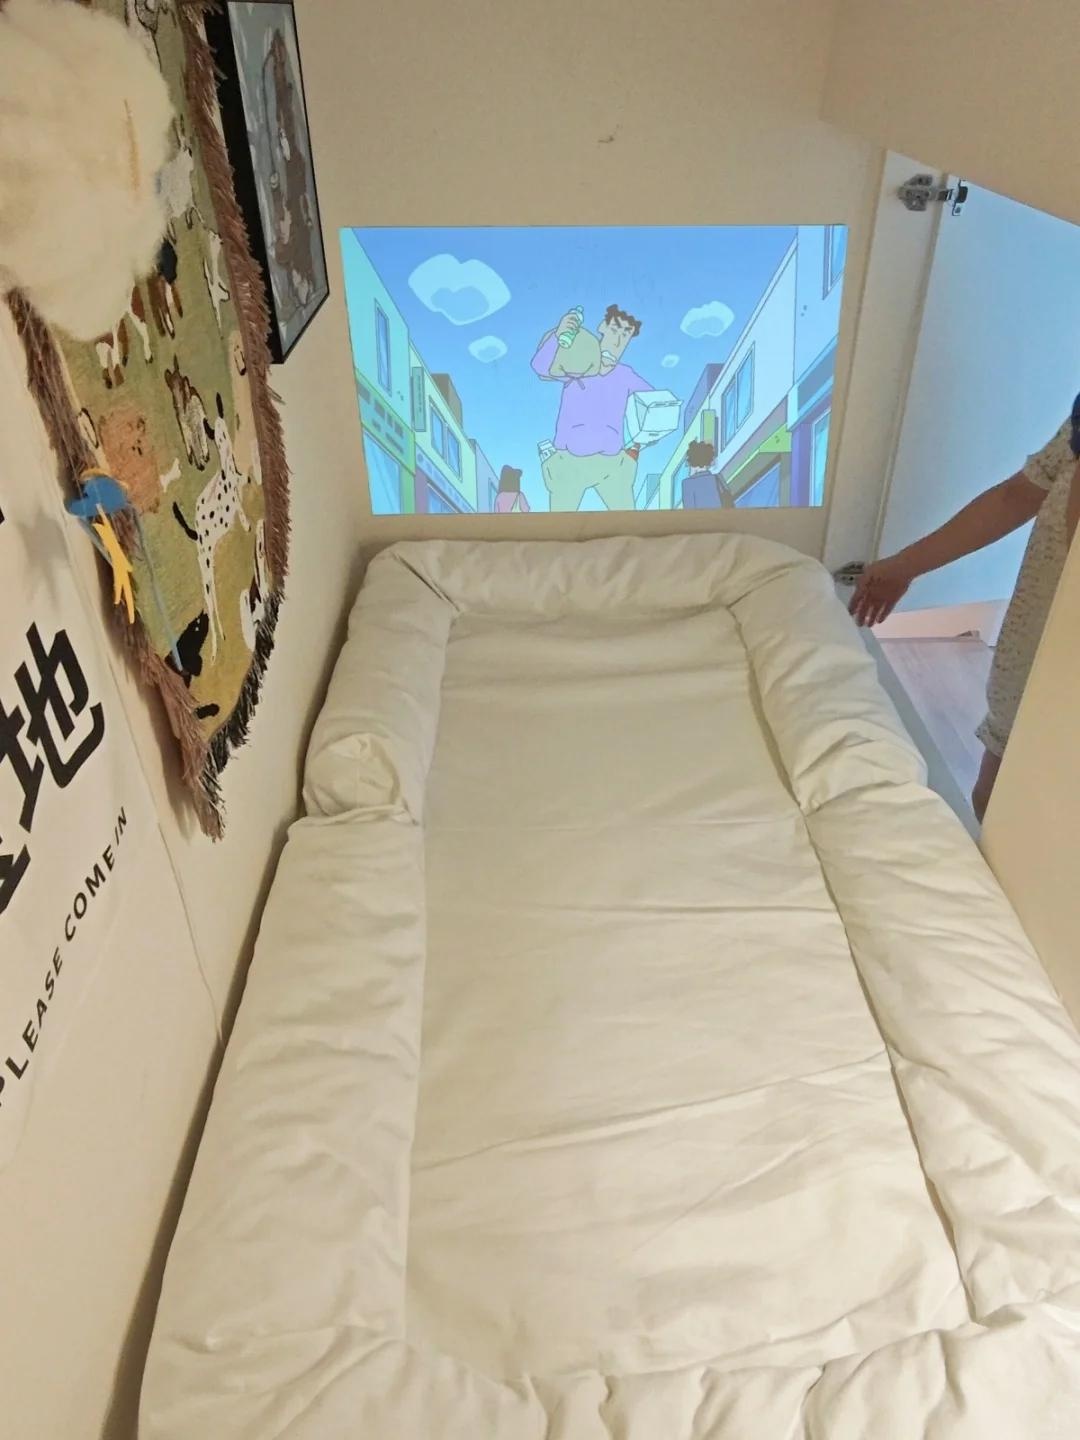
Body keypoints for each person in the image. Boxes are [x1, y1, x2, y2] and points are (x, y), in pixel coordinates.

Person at [850, 397, 1080, 820]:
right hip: (1029, 664)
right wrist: (904, 565)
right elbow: (1015, 496)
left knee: (1033, 824)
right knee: (991, 801)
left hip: (1065, 676)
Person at [531, 304, 651, 512]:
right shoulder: (579, 360)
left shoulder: (625, 374)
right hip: (570, 461)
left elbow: (657, 407)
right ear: (602, 327)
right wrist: (558, 335)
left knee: (629, 523)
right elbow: (541, 367)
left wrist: (634, 450)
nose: (618, 340)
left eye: (626, 334)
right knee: (559, 526)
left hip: (612, 464)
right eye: (614, 330)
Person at [681, 440, 734, 509]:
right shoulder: (718, 478)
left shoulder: (688, 484)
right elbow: (730, 505)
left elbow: (689, 510)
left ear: (691, 462)